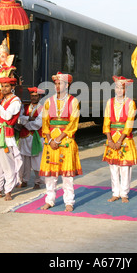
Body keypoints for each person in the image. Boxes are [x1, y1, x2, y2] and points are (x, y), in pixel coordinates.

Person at [39, 72, 82, 211]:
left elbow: (73, 123)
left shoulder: (73, 101)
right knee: (50, 174)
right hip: (50, 141)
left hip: (66, 140)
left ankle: (69, 201)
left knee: (67, 174)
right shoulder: (48, 101)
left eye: (60, 83)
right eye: (56, 84)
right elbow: (45, 123)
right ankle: (49, 200)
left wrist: (58, 139)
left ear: (67, 85)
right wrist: (50, 139)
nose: (57, 86)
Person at [102, 76, 137, 203]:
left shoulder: (130, 103)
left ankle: (124, 193)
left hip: (125, 138)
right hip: (111, 137)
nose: (118, 90)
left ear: (125, 89)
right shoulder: (109, 102)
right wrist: (110, 140)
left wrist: (119, 140)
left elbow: (129, 123)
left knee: (125, 168)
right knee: (113, 167)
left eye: (121, 88)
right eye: (116, 87)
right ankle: (115, 193)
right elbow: (106, 121)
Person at [0, 77, 23, 201]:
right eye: (2, 86)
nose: (3, 89)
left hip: (6, 135)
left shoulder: (16, 101)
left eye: (6, 86)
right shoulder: (2, 101)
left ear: (12, 88)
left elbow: (7, 116)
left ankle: (8, 191)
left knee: (8, 165)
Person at [17, 86, 45, 189]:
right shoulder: (24, 107)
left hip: (36, 138)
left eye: (35, 96)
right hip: (24, 138)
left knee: (37, 161)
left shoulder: (43, 108)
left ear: (40, 96)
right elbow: (19, 119)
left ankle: (38, 181)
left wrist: (25, 124)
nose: (33, 98)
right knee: (24, 161)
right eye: (32, 96)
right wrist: (28, 118)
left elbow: (38, 124)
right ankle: (24, 180)